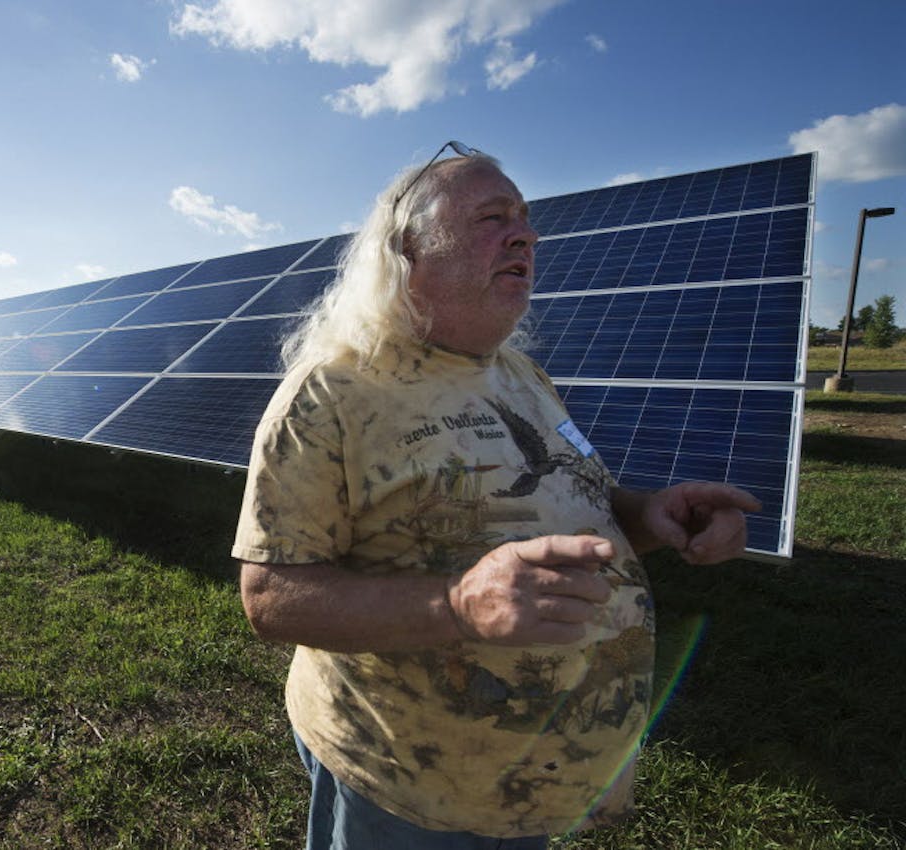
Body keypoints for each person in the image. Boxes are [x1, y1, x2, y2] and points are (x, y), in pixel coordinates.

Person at [232, 144, 760, 849]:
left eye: (525, 219)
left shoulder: (522, 376)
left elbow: (577, 498)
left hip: (531, 786)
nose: (527, 235)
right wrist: (458, 606)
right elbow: (271, 597)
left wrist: (651, 515)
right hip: (408, 789)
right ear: (409, 248)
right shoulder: (333, 393)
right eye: (492, 217)